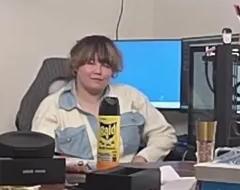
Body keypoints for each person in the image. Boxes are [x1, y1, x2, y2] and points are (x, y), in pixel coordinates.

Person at [31, 35, 177, 167]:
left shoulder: (131, 97)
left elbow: (164, 134)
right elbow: (42, 158)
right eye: (90, 63)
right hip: (77, 182)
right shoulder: (52, 106)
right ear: (76, 66)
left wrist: (142, 159)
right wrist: (74, 166)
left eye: (106, 65)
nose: (98, 71)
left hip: (127, 178)